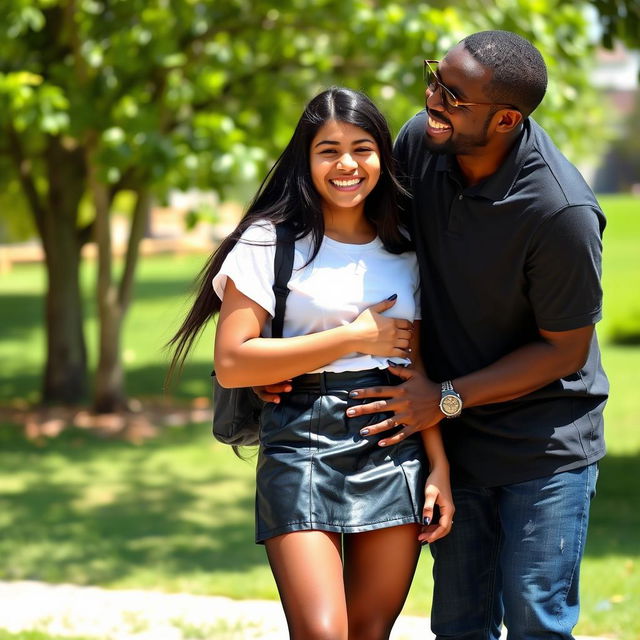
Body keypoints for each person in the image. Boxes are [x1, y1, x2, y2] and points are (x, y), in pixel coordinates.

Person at [332, 31, 608, 640]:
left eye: (451, 95)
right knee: (460, 626)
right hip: (455, 444)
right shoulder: (419, 143)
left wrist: (444, 396)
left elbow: (566, 350)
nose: (431, 98)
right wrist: (282, 352)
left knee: (536, 621)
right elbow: (350, 232)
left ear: (506, 118)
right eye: (435, 78)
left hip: (545, 445)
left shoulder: (560, 213)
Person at [168, 87, 453, 640]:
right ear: (306, 158)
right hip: (300, 437)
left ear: (382, 158)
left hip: (393, 438)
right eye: (328, 150)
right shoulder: (268, 242)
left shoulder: (409, 247)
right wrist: (351, 337)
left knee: (370, 632)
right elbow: (232, 361)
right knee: (324, 633)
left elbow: (415, 367)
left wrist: (437, 463)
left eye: (362, 148)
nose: (346, 164)